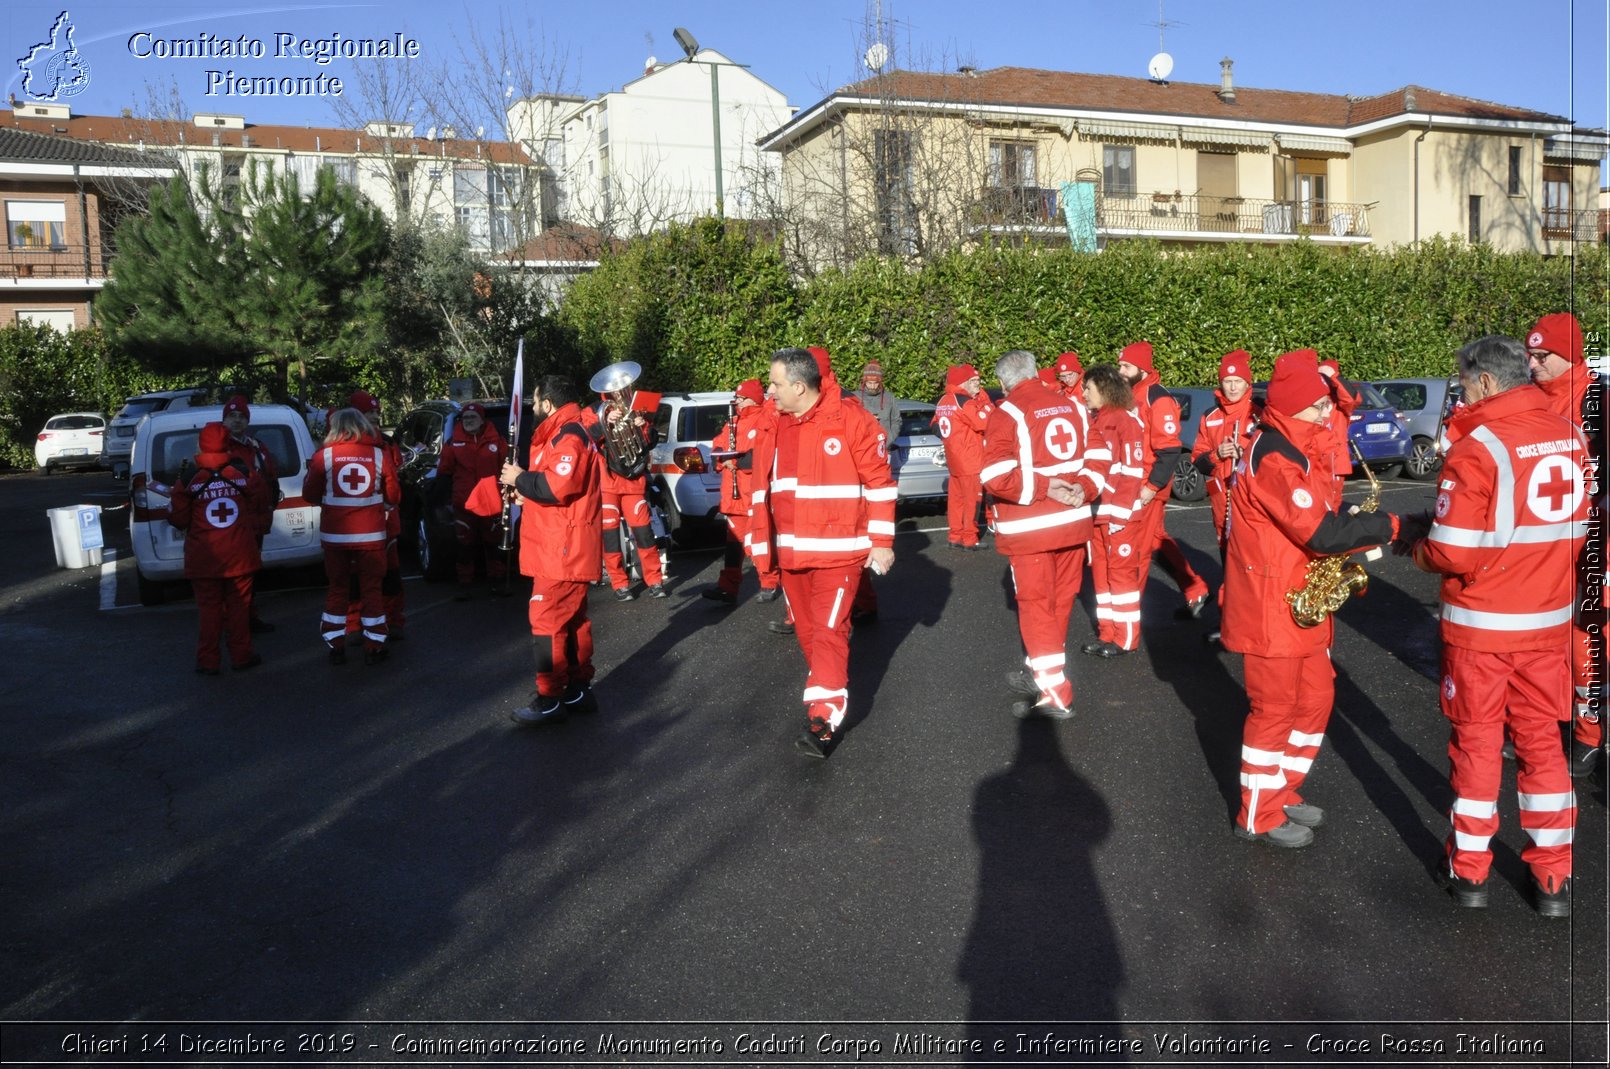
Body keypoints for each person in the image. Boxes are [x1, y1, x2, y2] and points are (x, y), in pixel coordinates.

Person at [1405, 335, 1588, 915]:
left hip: (1483, 627)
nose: (1461, 392)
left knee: (1478, 746)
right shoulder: (1571, 434)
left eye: (1463, 382)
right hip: (1545, 626)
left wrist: (1417, 549)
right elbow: (1578, 530)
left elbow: (1453, 550)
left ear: (1485, 381)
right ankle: (1553, 878)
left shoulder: (1479, 446)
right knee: (1543, 747)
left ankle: (1470, 872)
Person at [1223, 350, 1401, 848]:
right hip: (1270, 603)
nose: (1329, 414)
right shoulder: (1276, 455)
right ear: (1296, 406)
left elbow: (1322, 513)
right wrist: (1388, 527)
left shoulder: (1300, 449)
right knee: (1274, 708)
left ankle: (1283, 789)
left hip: (1299, 595)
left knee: (1317, 696)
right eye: (1321, 406)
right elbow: (1321, 532)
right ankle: (1256, 813)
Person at [748, 348, 898, 758]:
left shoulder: (851, 419)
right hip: (792, 556)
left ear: (799, 386)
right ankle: (828, 692)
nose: (769, 391)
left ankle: (823, 720)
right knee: (810, 634)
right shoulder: (773, 421)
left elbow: (881, 484)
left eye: (775, 384)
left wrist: (882, 543)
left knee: (830, 633)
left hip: (840, 555)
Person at [982, 350, 1106, 717]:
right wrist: (1085, 487)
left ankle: (1054, 690)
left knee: (1036, 608)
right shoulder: (1075, 407)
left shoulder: (1006, 413)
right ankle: (1045, 673)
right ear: (1037, 372)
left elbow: (996, 477)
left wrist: (1044, 485)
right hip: (1072, 523)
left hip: (1030, 531)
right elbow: (1100, 457)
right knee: (1060, 603)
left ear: (1003, 382)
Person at [1526, 311, 1605, 779]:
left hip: (1592, 540)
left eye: (1542, 356)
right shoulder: (1534, 399)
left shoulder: (1596, 399)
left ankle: (1589, 734)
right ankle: (1551, 722)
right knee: (1545, 639)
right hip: (1547, 540)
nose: (1533, 364)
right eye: (1530, 355)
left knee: (1585, 640)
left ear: (1569, 356)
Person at [500, 375, 605, 725]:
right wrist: (526, 491)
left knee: (546, 621)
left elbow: (558, 485)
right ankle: (576, 690)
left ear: (548, 403)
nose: (533, 407)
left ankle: (549, 697)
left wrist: (519, 479)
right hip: (560, 543)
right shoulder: (565, 431)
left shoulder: (569, 434)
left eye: (535, 401)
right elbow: (556, 486)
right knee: (572, 622)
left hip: (562, 548)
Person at [1116, 341, 1212, 618]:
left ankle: (1127, 618)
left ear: (1142, 369)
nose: (1120, 370)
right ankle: (1196, 589)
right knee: (1156, 541)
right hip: (1133, 482)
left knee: (1139, 549)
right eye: (1120, 364)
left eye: (1126, 366)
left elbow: (1169, 449)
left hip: (1147, 485)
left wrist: (1151, 487)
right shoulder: (1131, 394)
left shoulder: (1157, 398)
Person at [169, 422, 269, 674]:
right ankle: (241, 655)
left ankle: (208, 661)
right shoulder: (244, 472)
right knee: (239, 608)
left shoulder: (189, 476)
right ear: (227, 443)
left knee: (209, 610)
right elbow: (261, 501)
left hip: (204, 557)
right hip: (239, 555)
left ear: (201, 444)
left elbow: (178, 518)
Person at [304, 407, 401, 665]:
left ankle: (336, 644)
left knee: (338, 588)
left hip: (335, 537)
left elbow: (310, 494)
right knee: (372, 589)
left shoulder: (323, 456)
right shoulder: (379, 455)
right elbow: (394, 496)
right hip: (371, 536)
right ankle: (375, 645)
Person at [1081, 364, 1146, 657]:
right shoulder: (1095, 421)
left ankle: (1127, 638)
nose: (1084, 393)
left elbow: (1132, 472)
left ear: (1104, 390)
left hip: (1119, 515)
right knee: (1101, 577)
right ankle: (1108, 632)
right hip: (1097, 513)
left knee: (1120, 576)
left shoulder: (1124, 421)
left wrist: (1120, 514)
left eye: (1088, 388)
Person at [702, 379, 782, 605]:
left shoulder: (763, 420)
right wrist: (721, 458)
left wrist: (734, 462)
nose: (736, 401)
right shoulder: (733, 422)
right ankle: (727, 587)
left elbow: (761, 456)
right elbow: (717, 445)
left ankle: (769, 582)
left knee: (757, 542)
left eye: (740, 398)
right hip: (732, 493)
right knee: (733, 544)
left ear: (752, 399)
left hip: (751, 493)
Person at [594, 386, 667, 601]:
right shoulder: (596, 409)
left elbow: (650, 442)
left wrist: (644, 427)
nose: (618, 392)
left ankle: (654, 580)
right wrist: (605, 422)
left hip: (633, 482)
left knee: (644, 533)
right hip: (608, 483)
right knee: (610, 537)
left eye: (621, 388)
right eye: (614, 389)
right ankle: (619, 583)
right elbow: (588, 436)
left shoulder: (636, 410)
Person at [434, 402, 510, 597]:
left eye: (472, 417)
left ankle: (497, 581)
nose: (468, 421)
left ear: (482, 420)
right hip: (464, 504)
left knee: (493, 544)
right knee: (465, 546)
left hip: (492, 503)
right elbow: (444, 471)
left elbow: (507, 466)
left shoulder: (498, 440)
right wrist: (442, 498)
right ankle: (465, 584)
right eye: (465, 418)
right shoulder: (453, 443)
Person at [1189, 351, 1259, 555]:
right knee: (1226, 552)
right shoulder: (1210, 416)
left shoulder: (1259, 412)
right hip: (1222, 497)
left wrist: (1246, 452)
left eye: (1238, 381)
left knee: (1250, 553)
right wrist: (1216, 454)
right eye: (1227, 381)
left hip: (1252, 495)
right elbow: (1198, 460)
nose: (1233, 387)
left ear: (1247, 383)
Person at [350, 390, 408, 638]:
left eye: (376, 412)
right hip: (355, 527)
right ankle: (353, 625)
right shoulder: (343, 446)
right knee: (354, 578)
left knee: (391, 575)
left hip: (386, 524)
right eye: (368, 412)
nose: (374, 416)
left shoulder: (387, 443)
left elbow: (395, 482)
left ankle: (392, 621)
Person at [220, 394, 279, 633]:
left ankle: (249, 617)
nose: (237, 421)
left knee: (251, 573)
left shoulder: (256, 446)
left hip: (256, 520)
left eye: (241, 416)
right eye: (232, 416)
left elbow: (270, 477)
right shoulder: (219, 448)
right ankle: (235, 622)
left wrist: (272, 503)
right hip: (232, 523)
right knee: (233, 576)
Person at [932, 363, 993, 550]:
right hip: (970, 460)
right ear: (963, 382)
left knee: (956, 501)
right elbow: (984, 422)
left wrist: (953, 440)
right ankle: (969, 538)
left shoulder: (943, 401)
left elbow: (934, 426)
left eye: (978, 380)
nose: (978, 384)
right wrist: (986, 405)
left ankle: (954, 536)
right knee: (972, 501)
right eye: (973, 381)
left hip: (954, 460)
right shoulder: (965, 402)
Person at [1316, 357, 1359, 505]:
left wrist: (1334, 376)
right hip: (1315, 458)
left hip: (1335, 460)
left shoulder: (1340, 404)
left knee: (1332, 503)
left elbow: (1353, 399)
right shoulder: (1315, 399)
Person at [850, 359, 903, 446]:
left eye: (876, 383)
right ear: (864, 381)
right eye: (869, 383)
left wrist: (889, 439)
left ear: (880, 382)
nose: (873, 386)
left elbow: (896, 420)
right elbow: (849, 422)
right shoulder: (855, 397)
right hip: (862, 448)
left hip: (885, 448)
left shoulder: (889, 398)